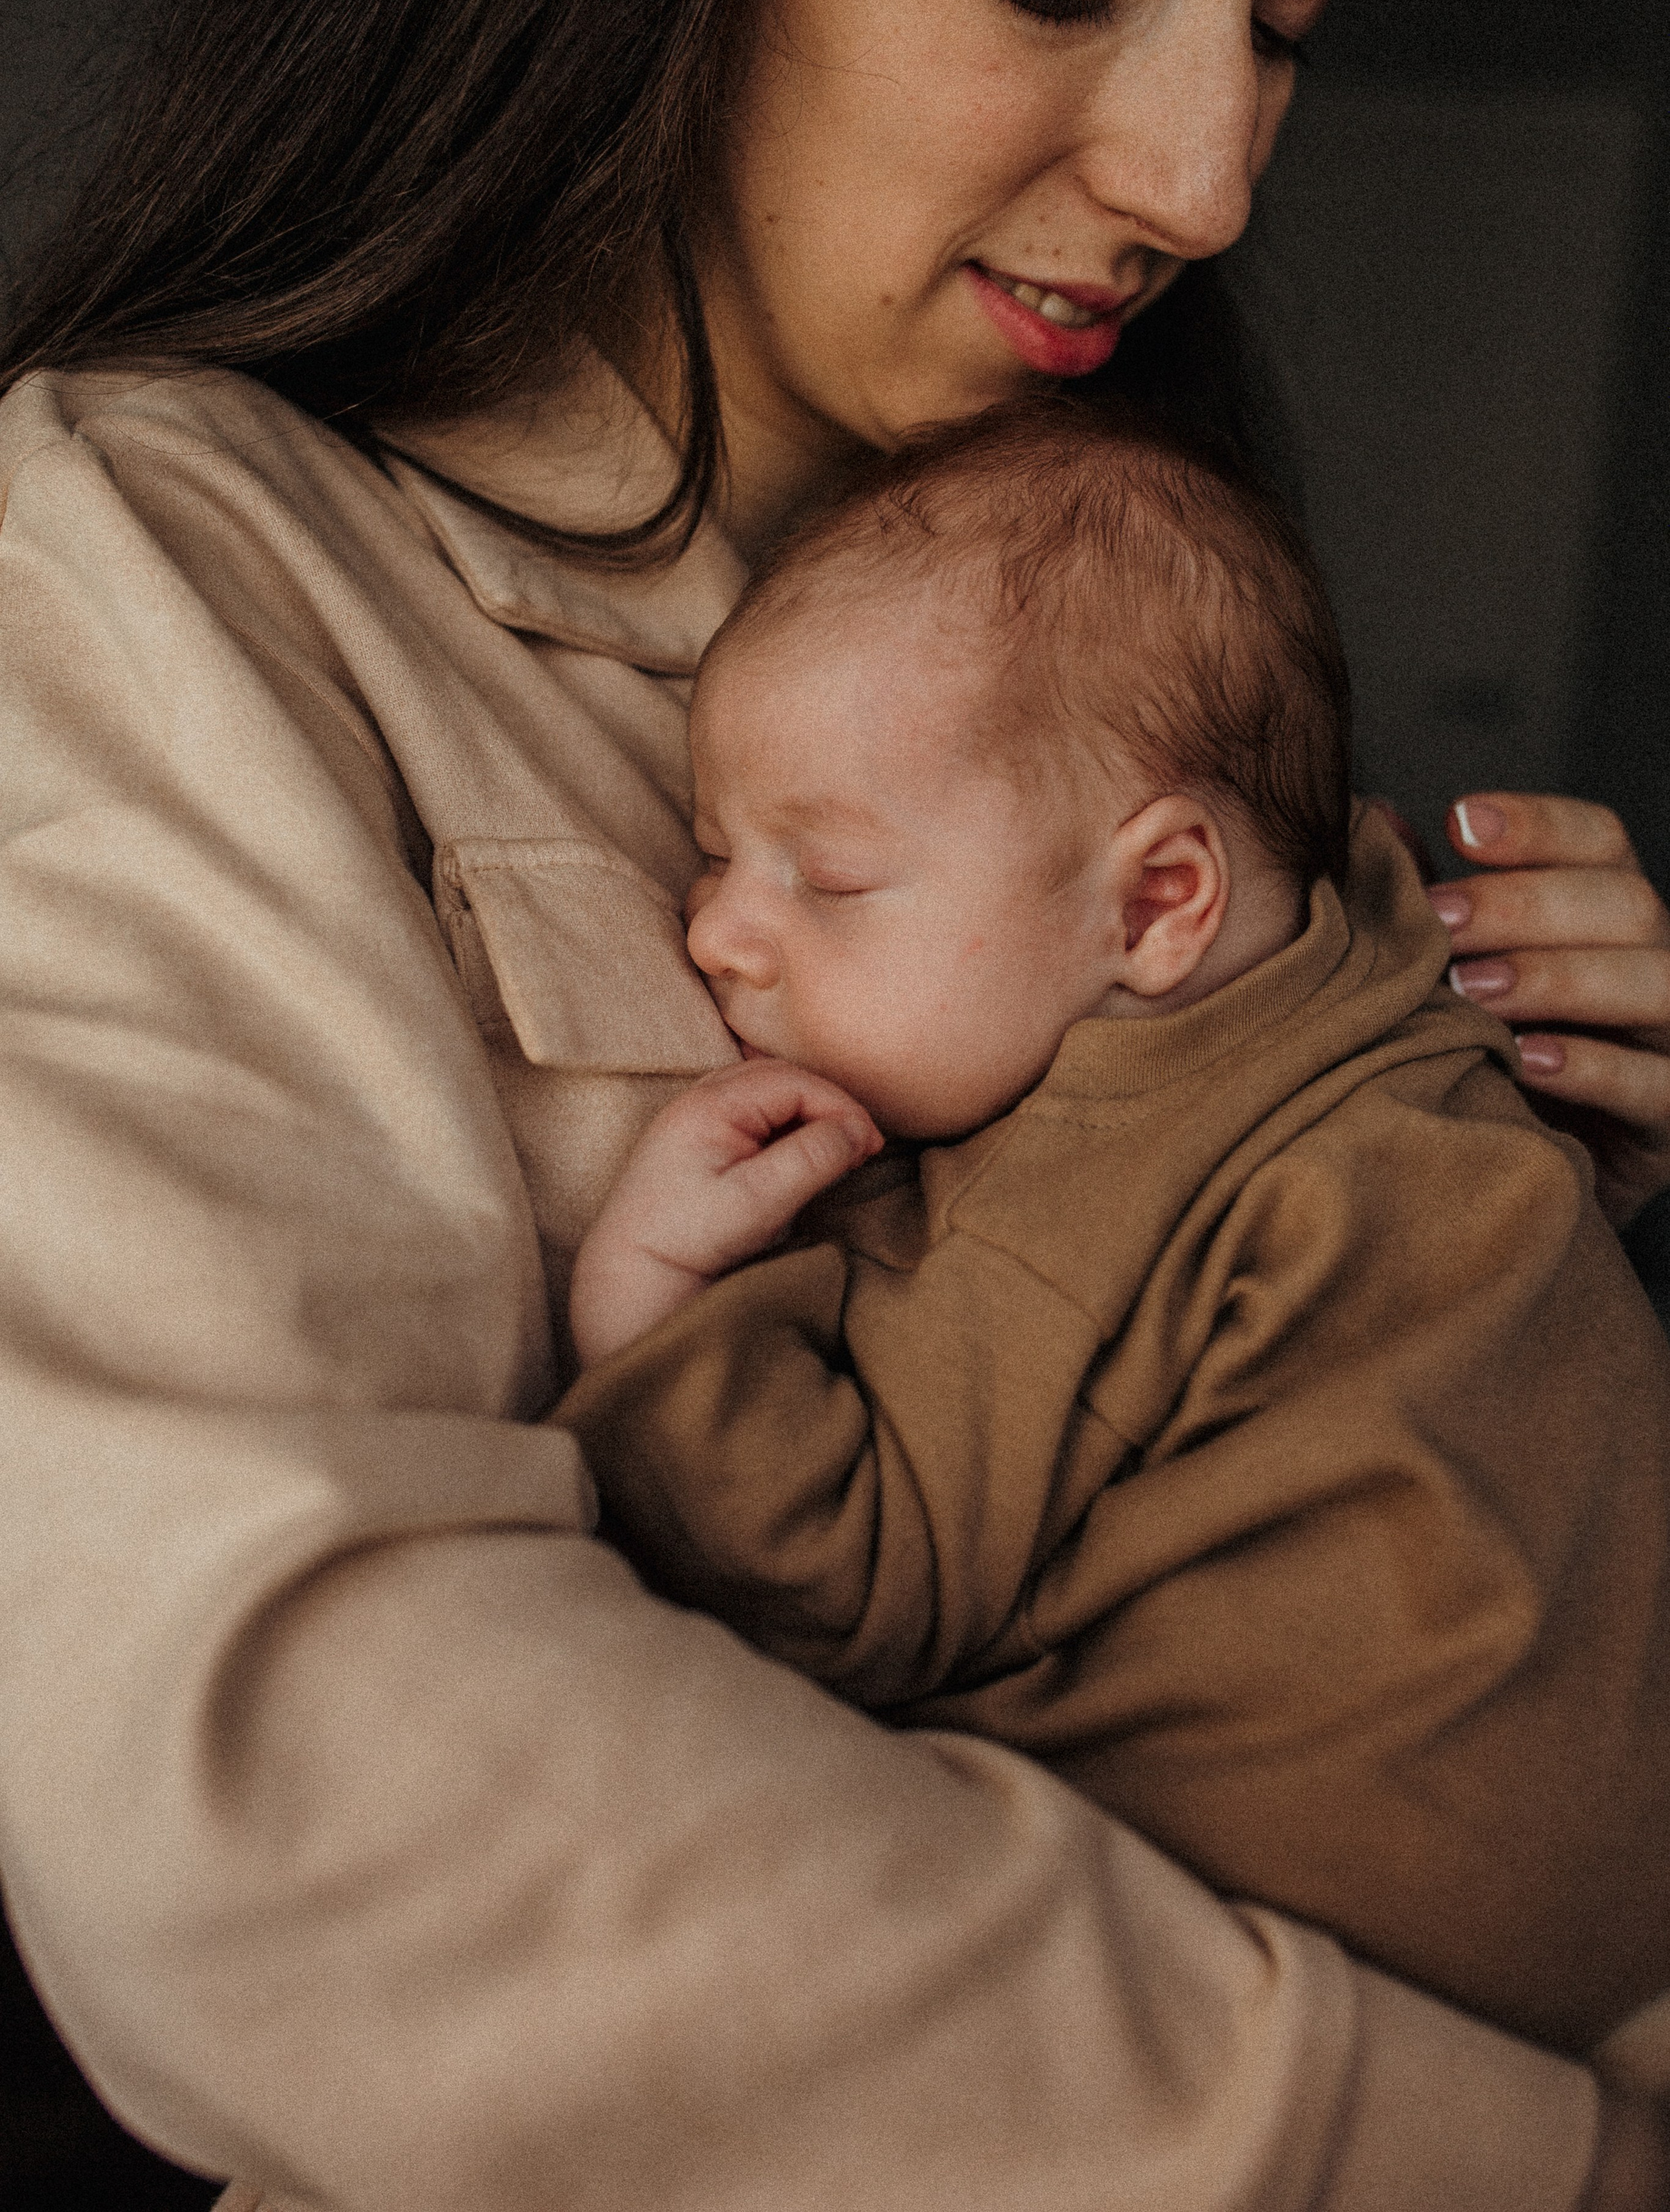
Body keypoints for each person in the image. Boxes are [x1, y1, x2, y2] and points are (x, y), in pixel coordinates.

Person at [2, 0, 1669, 2207]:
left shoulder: (1109, 580)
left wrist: (1470, 1185)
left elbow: (1249, 1485)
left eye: (1297, 16)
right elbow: (280, 1781)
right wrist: (1511, 2159)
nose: (1211, 172)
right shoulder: (155, 569)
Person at [561, 399, 1670, 2059]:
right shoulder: (1393, 1004)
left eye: (830, 876)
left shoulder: (1095, 1180)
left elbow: (845, 1578)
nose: (717, 928)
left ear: (1158, 902)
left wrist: (654, 1316)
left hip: (1324, 1950)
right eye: (720, 852)